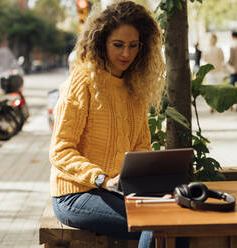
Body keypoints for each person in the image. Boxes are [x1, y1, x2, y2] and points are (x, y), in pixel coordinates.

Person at [48, 1, 189, 248]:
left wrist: (147, 180)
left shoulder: (135, 86)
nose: (126, 54)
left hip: (117, 192)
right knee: (154, 224)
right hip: (76, 193)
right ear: (101, 42)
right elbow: (60, 150)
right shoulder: (83, 80)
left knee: (179, 226)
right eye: (118, 45)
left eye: (133, 46)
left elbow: (141, 146)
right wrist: (102, 178)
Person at [202, 34, 225, 113]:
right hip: (218, 70)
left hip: (209, 71)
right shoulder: (219, 49)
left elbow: (204, 59)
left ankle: (211, 106)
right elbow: (222, 59)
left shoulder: (206, 49)